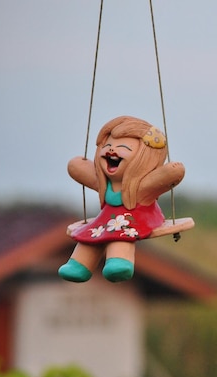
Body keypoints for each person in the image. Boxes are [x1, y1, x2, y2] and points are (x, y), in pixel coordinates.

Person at [58, 115, 184, 283]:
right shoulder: (104, 184)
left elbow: (169, 174)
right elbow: (78, 167)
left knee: (120, 236)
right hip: (105, 220)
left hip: (134, 219)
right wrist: (76, 164)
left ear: (145, 158)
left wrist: (173, 170)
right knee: (90, 237)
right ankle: (79, 264)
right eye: (108, 146)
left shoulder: (141, 187)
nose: (111, 151)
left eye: (123, 147)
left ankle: (119, 261)